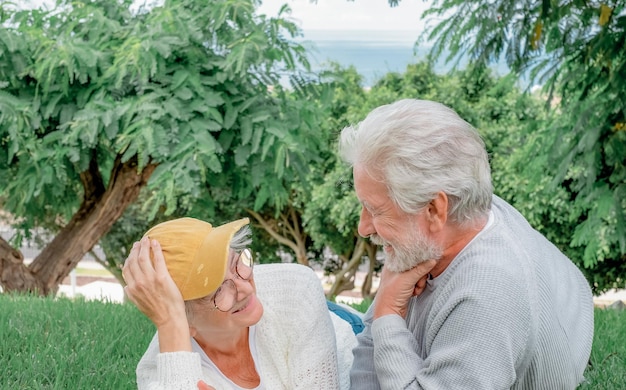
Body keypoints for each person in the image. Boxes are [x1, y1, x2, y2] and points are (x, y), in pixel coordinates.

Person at [338, 99, 594, 389]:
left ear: (435, 209)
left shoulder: (487, 292)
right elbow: (364, 375)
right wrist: (385, 311)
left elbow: (383, 323)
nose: (363, 228)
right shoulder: (445, 227)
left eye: (375, 210)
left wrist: (387, 316)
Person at [122, 217, 356, 389]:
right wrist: (170, 325)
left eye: (238, 263)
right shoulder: (158, 374)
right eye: (218, 290)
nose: (245, 288)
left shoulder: (296, 288)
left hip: (339, 330)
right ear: (182, 319)